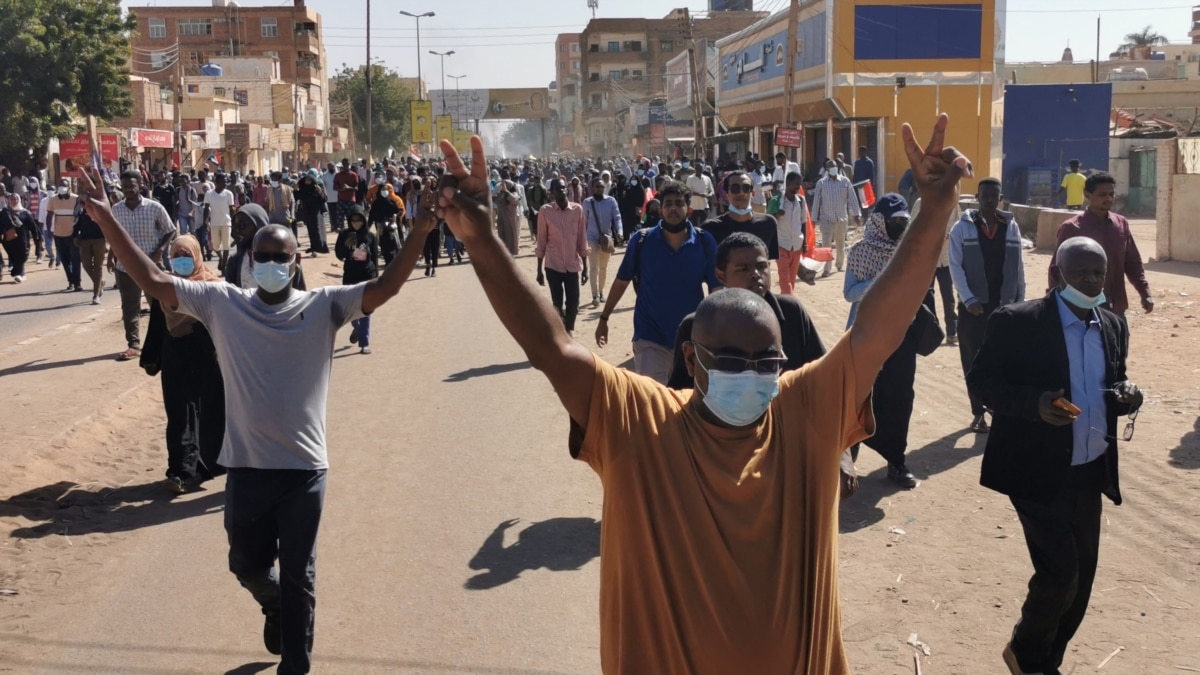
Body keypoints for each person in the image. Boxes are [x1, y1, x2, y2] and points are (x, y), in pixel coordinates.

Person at [434, 115, 970, 674]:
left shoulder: (804, 409)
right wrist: (482, 238)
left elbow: (876, 331)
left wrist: (934, 212)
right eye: (733, 361)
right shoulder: (640, 421)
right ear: (691, 359)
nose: (754, 374)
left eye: (767, 361)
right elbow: (552, 347)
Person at [77, 165, 437, 675]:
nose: (270, 263)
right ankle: (271, 604)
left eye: (280, 258)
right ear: (250, 258)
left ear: (295, 263)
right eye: (262, 256)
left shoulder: (325, 306)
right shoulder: (224, 303)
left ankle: (296, 663)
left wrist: (420, 228)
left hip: (304, 471)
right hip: (246, 470)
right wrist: (106, 218)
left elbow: (385, 287)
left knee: (300, 577)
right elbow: (156, 281)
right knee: (245, 565)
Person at [969, 236, 1142, 675]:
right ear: (1057, 275)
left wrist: (1128, 396)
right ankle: (1027, 654)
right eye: (1080, 272)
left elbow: (1115, 383)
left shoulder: (1113, 326)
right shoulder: (1019, 322)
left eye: (1098, 273)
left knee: (1081, 582)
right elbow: (983, 383)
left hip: (1088, 470)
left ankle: (1046, 659)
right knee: (1059, 573)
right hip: (1036, 471)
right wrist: (1034, 404)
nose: (1090, 280)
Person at [666, 232, 857, 496]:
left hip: (788, 451)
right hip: (719, 459)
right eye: (743, 269)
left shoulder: (792, 314)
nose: (755, 275)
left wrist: (841, 454)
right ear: (721, 275)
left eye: (761, 266)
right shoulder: (698, 325)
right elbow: (679, 399)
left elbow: (827, 388)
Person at [595, 180, 719, 384]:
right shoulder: (642, 241)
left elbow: (716, 289)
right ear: (659, 208)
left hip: (692, 339)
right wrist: (604, 318)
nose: (673, 208)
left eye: (679, 203)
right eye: (668, 203)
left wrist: (716, 330)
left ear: (689, 208)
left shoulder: (704, 242)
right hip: (650, 337)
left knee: (687, 403)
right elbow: (621, 281)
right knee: (655, 403)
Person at [843, 193, 928, 489]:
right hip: (864, 334)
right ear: (879, 222)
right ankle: (845, 461)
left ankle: (896, 461)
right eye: (894, 221)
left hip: (901, 336)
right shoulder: (859, 251)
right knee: (858, 396)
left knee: (899, 397)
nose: (900, 226)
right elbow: (850, 293)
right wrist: (883, 281)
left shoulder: (909, 251)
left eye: (904, 221)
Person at [139, 234, 226, 494]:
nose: (181, 260)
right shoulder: (166, 286)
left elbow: (221, 325)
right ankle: (180, 471)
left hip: (206, 355)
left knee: (209, 413)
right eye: (176, 256)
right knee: (179, 415)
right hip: (175, 356)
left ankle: (206, 466)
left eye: (187, 256)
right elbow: (157, 323)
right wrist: (152, 357)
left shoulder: (213, 286)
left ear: (197, 255)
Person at [948, 178, 1026, 433]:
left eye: (994, 196)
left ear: (1000, 197)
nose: (989, 200)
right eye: (985, 196)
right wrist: (968, 299)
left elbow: (1018, 267)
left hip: (1003, 305)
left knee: (1002, 358)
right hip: (974, 307)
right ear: (978, 197)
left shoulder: (1010, 226)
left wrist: (1019, 300)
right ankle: (977, 412)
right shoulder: (962, 228)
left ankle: (998, 408)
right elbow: (955, 267)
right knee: (973, 359)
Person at [1049, 171, 1153, 316]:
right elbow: (1057, 270)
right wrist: (1053, 303)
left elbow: (1132, 263)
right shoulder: (1072, 228)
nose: (1109, 199)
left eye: (1111, 194)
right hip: (1082, 309)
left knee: (1118, 339)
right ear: (1087, 195)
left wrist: (1144, 292)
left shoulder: (1121, 223)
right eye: (1103, 195)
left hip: (1117, 309)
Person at [112, 170, 176, 362]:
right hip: (125, 267)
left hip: (151, 266)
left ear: (140, 185)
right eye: (125, 187)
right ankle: (133, 345)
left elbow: (170, 230)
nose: (128, 190)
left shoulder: (154, 208)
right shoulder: (116, 210)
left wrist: (160, 251)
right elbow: (113, 235)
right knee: (129, 307)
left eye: (132, 186)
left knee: (160, 306)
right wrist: (111, 255)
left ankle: (167, 342)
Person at [535, 178, 590, 335]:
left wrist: (585, 268)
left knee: (574, 302)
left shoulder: (577, 210)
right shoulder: (545, 212)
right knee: (557, 303)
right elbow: (541, 241)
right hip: (553, 265)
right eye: (557, 189)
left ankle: (568, 327)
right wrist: (539, 270)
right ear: (552, 192)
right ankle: (563, 332)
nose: (561, 191)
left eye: (563, 187)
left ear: (567, 189)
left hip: (572, 264)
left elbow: (582, 239)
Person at [912, 196, 962, 348]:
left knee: (948, 296)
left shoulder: (953, 203)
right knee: (927, 297)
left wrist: (950, 235)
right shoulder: (921, 203)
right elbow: (912, 226)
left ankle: (952, 332)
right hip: (927, 259)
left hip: (946, 258)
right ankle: (933, 332)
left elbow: (959, 226)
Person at [702, 171, 779, 259]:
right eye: (735, 188)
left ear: (753, 193)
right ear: (726, 195)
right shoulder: (710, 229)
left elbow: (769, 263)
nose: (741, 193)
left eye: (746, 188)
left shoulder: (768, 224)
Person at [335, 206, 379, 355]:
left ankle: (364, 343)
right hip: (350, 275)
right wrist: (345, 246)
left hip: (367, 274)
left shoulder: (370, 236)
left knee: (366, 310)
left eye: (359, 220)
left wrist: (376, 278)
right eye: (353, 221)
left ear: (364, 220)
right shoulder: (344, 234)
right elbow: (339, 255)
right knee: (351, 309)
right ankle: (357, 327)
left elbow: (374, 256)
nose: (356, 223)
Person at [811, 158, 862, 277]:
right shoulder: (821, 183)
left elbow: (852, 198)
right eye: (831, 167)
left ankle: (839, 264)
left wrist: (856, 214)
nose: (834, 169)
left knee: (840, 243)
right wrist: (813, 219)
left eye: (835, 167)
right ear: (827, 170)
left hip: (841, 219)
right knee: (826, 244)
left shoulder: (845, 182)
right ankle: (827, 268)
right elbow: (816, 202)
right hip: (826, 219)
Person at [770, 171, 817, 295]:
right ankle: (789, 300)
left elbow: (803, 223)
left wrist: (805, 242)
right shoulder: (776, 201)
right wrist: (777, 215)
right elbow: (769, 221)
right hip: (781, 245)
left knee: (791, 279)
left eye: (799, 184)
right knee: (784, 277)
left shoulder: (801, 201)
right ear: (788, 183)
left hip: (796, 245)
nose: (798, 187)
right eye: (796, 184)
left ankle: (786, 301)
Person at [583, 177, 622, 308]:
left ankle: (601, 291)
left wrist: (620, 231)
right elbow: (584, 221)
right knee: (593, 267)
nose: (599, 189)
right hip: (592, 238)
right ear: (592, 188)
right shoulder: (587, 202)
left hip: (607, 240)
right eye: (597, 186)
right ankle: (595, 295)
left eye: (601, 186)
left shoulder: (611, 201)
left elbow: (617, 217)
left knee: (603, 268)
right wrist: (582, 238)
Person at [74, 189, 113, 304]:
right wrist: (75, 237)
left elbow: (106, 226)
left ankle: (96, 295)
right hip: (85, 240)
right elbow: (76, 226)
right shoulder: (80, 213)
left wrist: (107, 241)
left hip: (99, 240)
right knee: (86, 265)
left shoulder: (99, 211)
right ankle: (100, 282)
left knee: (98, 267)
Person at [47, 181, 81, 286]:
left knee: (75, 259)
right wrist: (49, 230)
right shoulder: (53, 199)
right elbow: (49, 215)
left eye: (64, 186)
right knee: (65, 260)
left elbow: (80, 217)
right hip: (58, 235)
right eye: (60, 186)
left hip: (73, 234)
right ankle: (70, 281)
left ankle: (77, 283)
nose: (61, 188)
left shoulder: (76, 199)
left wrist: (79, 232)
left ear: (69, 188)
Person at [203, 173, 237, 273]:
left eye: (225, 181)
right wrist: (204, 221)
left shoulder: (228, 193)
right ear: (216, 183)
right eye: (222, 182)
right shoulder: (209, 194)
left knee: (226, 245)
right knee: (215, 246)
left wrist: (234, 221)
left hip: (226, 222)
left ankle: (224, 266)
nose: (224, 183)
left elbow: (231, 209)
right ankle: (221, 258)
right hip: (214, 223)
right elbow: (206, 208)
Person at [1, 193, 37, 283]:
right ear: (9, 201)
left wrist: (37, 239)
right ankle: (19, 273)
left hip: (23, 239)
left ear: (19, 200)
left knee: (22, 256)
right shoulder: (5, 212)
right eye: (12, 199)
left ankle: (21, 274)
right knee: (14, 257)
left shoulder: (25, 213)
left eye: (16, 199)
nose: (14, 201)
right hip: (10, 240)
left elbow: (33, 227)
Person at [294, 173, 329, 255]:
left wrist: (320, 192)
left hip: (317, 213)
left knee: (318, 230)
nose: (307, 182)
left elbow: (324, 199)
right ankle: (314, 248)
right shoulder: (303, 189)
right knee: (311, 230)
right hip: (307, 212)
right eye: (306, 180)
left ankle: (321, 247)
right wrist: (295, 190)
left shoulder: (317, 188)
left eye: (309, 180)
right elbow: (296, 197)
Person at [495, 179, 522, 256]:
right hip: (501, 219)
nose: (503, 186)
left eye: (506, 185)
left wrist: (507, 191)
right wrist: (502, 192)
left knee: (511, 236)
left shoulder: (514, 193)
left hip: (510, 219)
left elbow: (514, 200)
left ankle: (511, 252)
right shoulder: (500, 194)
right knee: (502, 235)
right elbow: (496, 201)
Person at [526, 174, 549, 240]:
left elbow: (546, 199)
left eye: (538, 181)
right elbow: (528, 200)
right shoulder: (530, 189)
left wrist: (542, 208)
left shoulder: (543, 189)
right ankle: (536, 237)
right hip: (533, 210)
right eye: (535, 181)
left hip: (541, 209)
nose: (536, 182)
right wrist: (531, 207)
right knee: (534, 224)